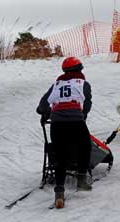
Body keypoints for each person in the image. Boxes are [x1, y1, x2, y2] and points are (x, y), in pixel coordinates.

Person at [36, 56, 92, 209]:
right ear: (79, 70)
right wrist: (83, 114)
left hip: (57, 124)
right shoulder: (83, 84)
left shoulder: (56, 84)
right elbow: (87, 104)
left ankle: (59, 191)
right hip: (76, 122)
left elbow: (42, 105)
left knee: (59, 155)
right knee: (85, 146)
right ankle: (81, 180)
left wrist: (46, 112)